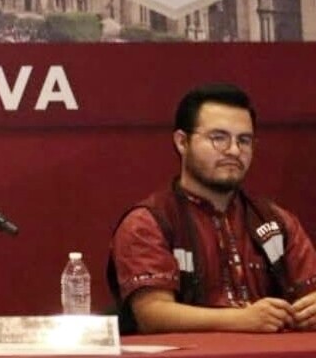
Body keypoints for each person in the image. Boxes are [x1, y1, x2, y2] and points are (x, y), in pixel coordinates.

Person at [108, 83, 316, 334]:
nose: (234, 150)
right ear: (182, 142)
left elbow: (311, 294)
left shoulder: (276, 221)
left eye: (244, 140)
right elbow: (151, 315)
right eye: (219, 138)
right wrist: (241, 319)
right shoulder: (149, 222)